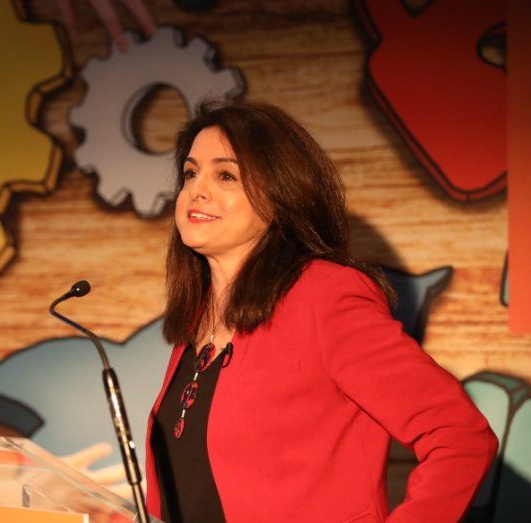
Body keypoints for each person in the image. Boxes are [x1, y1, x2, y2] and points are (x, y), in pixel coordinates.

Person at [144, 101, 498, 522]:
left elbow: (460, 436)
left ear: (279, 195)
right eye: (189, 173)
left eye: (225, 175)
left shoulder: (324, 296)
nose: (197, 190)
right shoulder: (199, 318)